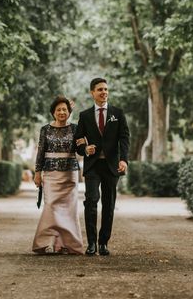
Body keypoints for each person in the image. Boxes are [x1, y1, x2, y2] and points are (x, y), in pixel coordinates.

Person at [75, 77, 129, 256]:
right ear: (92, 93)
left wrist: (124, 160)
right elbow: (78, 141)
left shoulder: (118, 113)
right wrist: (85, 149)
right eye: (100, 89)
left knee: (109, 204)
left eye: (106, 89)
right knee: (91, 201)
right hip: (92, 166)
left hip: (112, 166)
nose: (104, 92)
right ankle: (91, 243)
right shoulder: (85, 116)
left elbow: (124, 138)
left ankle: (103, 242)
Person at [32, 96, 85, 254]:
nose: (62, 112)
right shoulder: (45, 129)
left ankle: (66, 245)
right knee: (50, 208)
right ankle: (46, 243)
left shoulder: (75, 129)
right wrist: (37, 172)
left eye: (65, 109)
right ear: (53, 112)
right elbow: (40, 152)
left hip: (70, 174)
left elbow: (80, 150)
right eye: (59, 110)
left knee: (68, 210)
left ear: (69, 112)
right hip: (51, 174)